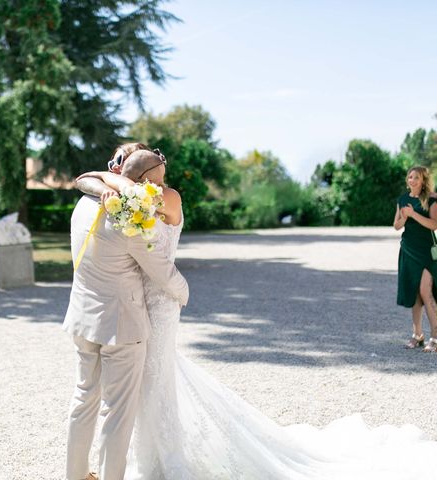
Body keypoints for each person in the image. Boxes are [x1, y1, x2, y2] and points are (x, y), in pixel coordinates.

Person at [76, 150, 437, 479]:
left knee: (156, 376)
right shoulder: (133, 196)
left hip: (162, 297)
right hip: (140, 297)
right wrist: (119, 183)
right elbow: (90, 179)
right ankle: (146, 455)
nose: (123, 168)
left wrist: (119, 184)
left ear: (145, 174)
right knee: (147, 381)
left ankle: (166, 460)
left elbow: (117, 197)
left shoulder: (165, 197)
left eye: (129, 167)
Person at [63, 149, 189, 480]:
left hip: (82, 317)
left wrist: (100, 182)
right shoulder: (130, 219)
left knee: (83, 400)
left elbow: (86, 180)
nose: (162, 188)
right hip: (122, 325)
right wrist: (183, 292)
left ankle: (75, 475)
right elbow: (160, 269)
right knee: (117, 413)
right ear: (145, 182)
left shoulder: (82, 206)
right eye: (158, 181)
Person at [394, 165, 437, 352]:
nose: (412, 180)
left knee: (426, 291)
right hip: (408, 251)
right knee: (415, 294)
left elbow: (434, 225)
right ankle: (417, 335)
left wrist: (414, 214)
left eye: (417, 178)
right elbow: (396, 225)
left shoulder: (432, 199)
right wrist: (404, 218)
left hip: (427, 251)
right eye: (410, 177)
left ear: (423, 181)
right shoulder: (402, 199)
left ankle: (435, 337)